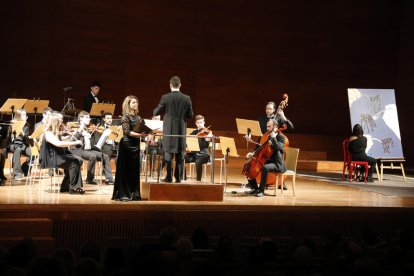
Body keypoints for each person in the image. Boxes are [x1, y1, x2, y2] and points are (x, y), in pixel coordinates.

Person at [153, 76, 193, 183]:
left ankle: (169, 177)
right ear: (180, 85)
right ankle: (178, 178)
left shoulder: (165, 97)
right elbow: (190, 115)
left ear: (170, 85)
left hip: (169, 130)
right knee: (180, 154)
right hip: (181, 129)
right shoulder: (187, 98)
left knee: (168, 154)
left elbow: (156, 112)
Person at [40, 113, 85, 194]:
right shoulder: (48, 133)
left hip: (59, 155)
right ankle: (73, 187)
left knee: (79, 160)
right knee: (74, 162)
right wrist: (74, 142)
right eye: (60, 120)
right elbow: (58, 144)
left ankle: (65, 186)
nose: (62, 122)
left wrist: (70, 138)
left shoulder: (56, 133)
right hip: (52, 158)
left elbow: (61, 142)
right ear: (55, 122)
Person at [112, 95, 145, 201]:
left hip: (136, 145)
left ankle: (134, 194)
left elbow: (139, 129)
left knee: (134, 170)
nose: (136, 104)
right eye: (133, 102)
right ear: (128, 104)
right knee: (125, 170)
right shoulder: (125, 116)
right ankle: (123, 194)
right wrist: (140, 135)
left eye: (136, 102)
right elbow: (127, 132)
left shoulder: (138, 117)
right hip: (127, 145)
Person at [245, 119, 287, 197]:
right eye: (267, 126)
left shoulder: (281, 137)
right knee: (249, 166)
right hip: (269, 161)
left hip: (278, 164)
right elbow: (262, 149)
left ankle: (261, 191)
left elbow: (277, 148)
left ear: (275, 127)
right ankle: (255, 188)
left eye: (269, 126)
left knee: (265, 167)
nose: (267, 128)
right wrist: (253, 154)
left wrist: (274, 138)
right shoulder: (268, 137)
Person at [70, 111, 114, 184]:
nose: (89, 119)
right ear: (81, 118)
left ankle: (109, 179)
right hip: (78, 150)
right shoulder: (76, 127)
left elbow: (91, 142)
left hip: (88, 150)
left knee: (105, 156)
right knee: (92, 156)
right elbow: (73, 140)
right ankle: (89, 178)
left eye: (89, 117)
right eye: (87, 117)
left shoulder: (88, 128)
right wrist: (80, 130)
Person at [0, 109, 32, 179]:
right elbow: (6, 138)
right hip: (12, 144)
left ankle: (24, 167)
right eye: (23, 114)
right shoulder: (11, 124)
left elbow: (26, 140)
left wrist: (23, 134)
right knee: (14, 150)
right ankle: (16, 174)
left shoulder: (26, 125)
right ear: (18, 116)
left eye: (25, 114)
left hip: (22, 144)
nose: (26, 116)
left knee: (33, 154)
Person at [184, 115, 213, 181]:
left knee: (198, 162)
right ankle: (183, 178)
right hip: (194, 154)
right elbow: (188, 140)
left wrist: (208, 139)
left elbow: (206, 143)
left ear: (204, 122)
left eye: (201, 122)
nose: (200, 124)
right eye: (198, 123)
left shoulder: (208, 132)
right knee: (182, 158)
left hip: (203, 154)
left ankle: (198, 180)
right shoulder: (194, 132)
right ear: (196, 123)